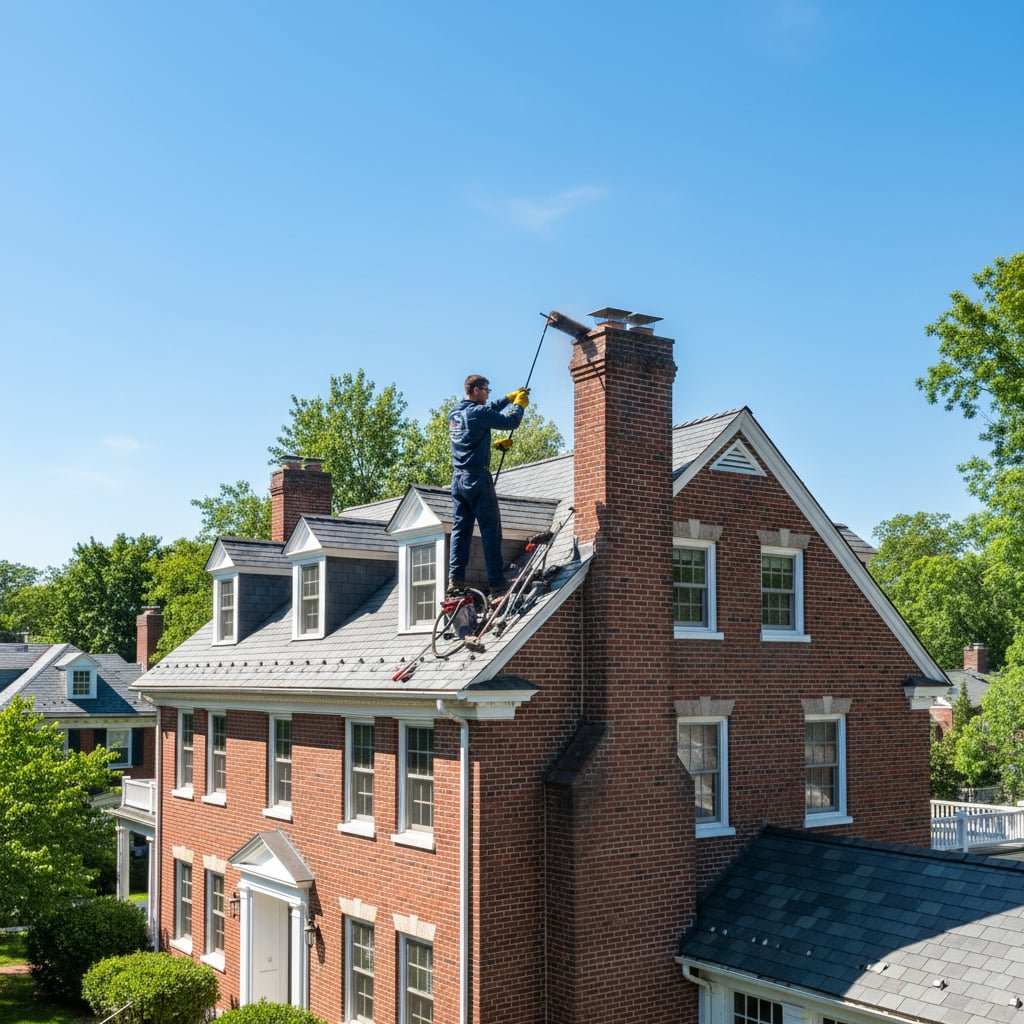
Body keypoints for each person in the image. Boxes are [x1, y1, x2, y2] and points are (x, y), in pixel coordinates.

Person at [448, 374, 530, 598]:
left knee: (460, 530)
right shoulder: (479, 413)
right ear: (475, 390)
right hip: (477, 480)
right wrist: (519, 405)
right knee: (490, 531)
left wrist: (506, 398)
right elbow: (509, 422)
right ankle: (497, 584)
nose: (487, 393)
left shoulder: (455, 413)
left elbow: (487, 411)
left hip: (458, 481)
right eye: (486, 389)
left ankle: (455, 580)